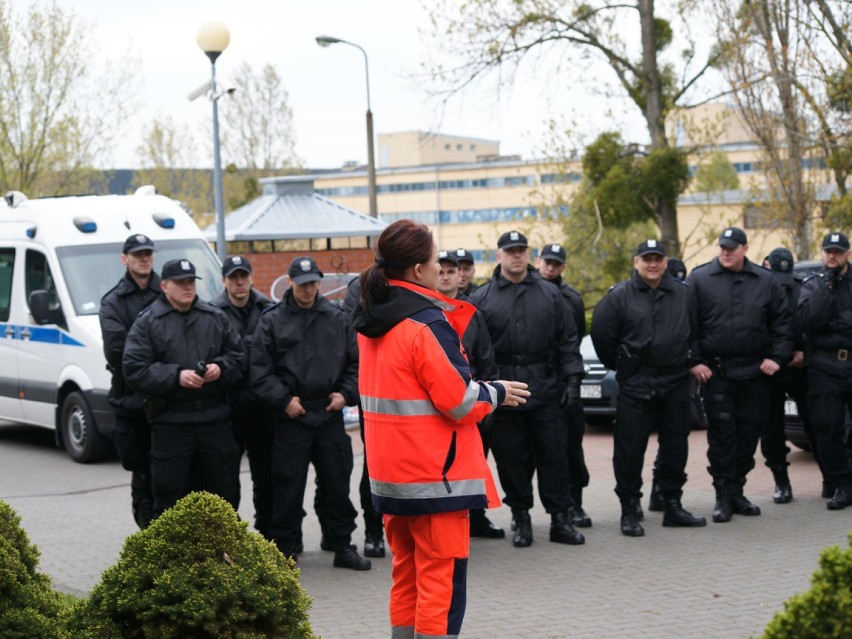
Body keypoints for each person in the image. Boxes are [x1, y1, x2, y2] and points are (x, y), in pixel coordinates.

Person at [353, 219, 529, 638]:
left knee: (407, 576)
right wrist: (497, 391)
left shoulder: (372, 320)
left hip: (392, 477)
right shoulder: (426, 324)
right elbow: (459, 401)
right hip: (436, 478)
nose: (440, 268)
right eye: (435, 261)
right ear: (417, 270)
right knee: (441, 587)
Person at [250, 256, 370, 570]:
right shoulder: (271, 321)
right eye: (302, 284)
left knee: (336, 485)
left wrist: (345, 395)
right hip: (292, 416)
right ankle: (286, 551)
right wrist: (283, 400)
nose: (308, 289)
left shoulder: (337, 317)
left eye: (314, 283)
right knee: (288, 488)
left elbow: (356, 364)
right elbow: (259, 371)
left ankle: (342, 544)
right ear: (290, 283)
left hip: (328, 413)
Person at [470, 230, 586, 548]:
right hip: (504, 391)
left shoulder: (551, 295)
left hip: (545, 386)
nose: (516, 255)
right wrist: (484, 391)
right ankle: (521, 518)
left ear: (529, 255)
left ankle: (560, 519)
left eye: (521, 250)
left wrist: (573, 380)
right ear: (499, 256)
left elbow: (567, 342)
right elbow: (475, 350)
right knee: (511, 460)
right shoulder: (482, 298)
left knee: (554, 456)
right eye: (510, 251)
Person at [591, 240, 706, 536]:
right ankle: (629, 509)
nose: (652, 264)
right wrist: (624, 367)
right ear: (636, 261)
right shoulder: (619, 296)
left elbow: (695, 332)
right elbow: (603, 336)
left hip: (675, 380)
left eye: (657, 259)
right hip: (637, 381)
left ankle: (672, 505)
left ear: (666, 262)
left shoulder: (684, 293)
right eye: (646, 259)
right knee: (630, 449)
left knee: (675, 446)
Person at [123, 258, 246, 519]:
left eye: (191, 281)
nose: (187, 287)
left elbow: (239, 357)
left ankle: (221, 557)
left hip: (215, 420)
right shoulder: (148, 322)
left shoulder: (214, 317)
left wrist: (220, 369)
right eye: (180, 283)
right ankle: (171, 559)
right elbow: (133, 368)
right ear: (164, 285)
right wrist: (176, 376)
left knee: (224, 496)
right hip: (172, 422)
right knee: (169, 498)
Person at [687, 227, 793, 523]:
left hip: (754, 373)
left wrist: (776, 357)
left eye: (732, 248)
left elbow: (783, 323)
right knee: (722, 437)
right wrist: (694, 361)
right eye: (722, 247)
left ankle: (737, 491)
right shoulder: (699, 279)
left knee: (748, 434)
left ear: (745, 249)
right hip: (717, 373)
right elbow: (686, 324)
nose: (725, 252)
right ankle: (722, 495)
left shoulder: (765, 280)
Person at [437, 249, 504, 539]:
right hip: (438, 403)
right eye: (440, 271)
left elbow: (485, 356)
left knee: (474, 464)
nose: (447, 276)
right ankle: (445, 523)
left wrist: (487, 401)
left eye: (451, 271)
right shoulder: (422, 309)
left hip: (471, 398)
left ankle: (476, 520)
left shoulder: (471, 311)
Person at [99, 234, 161, 529]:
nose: (144, 259)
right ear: (125, 259)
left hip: (167, 401)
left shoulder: (168, 291)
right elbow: (119, 352)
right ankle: (148, 533)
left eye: (148, 253)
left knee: (171, 472)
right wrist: (162, 362)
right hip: (132, 401)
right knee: (142, 472)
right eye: (137, 255)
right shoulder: (113, 301)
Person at [210, 255, 274, 538]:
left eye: (243, 276)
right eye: (233, 277)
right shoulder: (212, 312)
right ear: (223, 280)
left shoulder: (268, 309)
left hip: (263, 407)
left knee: (267, 475)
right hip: (228, 406)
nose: (239, 282)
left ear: (250, 277)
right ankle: (231, 537)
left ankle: (269, 534)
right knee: (225, 478)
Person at [537, 242, 592, 527]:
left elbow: (576, 339)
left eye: (555, 264)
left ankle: (576, 504)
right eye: (546, 262)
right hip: (540, 382)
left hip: (565, 382)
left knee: (572, 448)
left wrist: (572, 382)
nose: (550, 268)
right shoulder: (530, 294)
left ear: (563, 267)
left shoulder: (571, 298)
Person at [797, 231, 852, 510]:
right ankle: (840, 484)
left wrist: (838, 322)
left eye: (837, 252)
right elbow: (810, 321)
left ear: (847, 254)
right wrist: (828, 288)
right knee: (827, 429)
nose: (832, 256)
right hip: (824, 366)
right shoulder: (814, 285)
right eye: (828, 251)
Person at [340, 275, 387, 558]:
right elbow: (354, 332)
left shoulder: (412, 283)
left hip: (409, 393)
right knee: (375, 466)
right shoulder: (361, 286)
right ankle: (374, 532)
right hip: (375, 391)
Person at [759, 248, 811, 504]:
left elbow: (814, 327)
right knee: (772, 430)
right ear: (766, 266)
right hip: (769, 371)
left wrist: (805, 354)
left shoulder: (803, 288)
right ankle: (781, 481)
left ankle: (832, 479)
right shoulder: (754, 291)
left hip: (800, 368)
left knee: (817, 424)